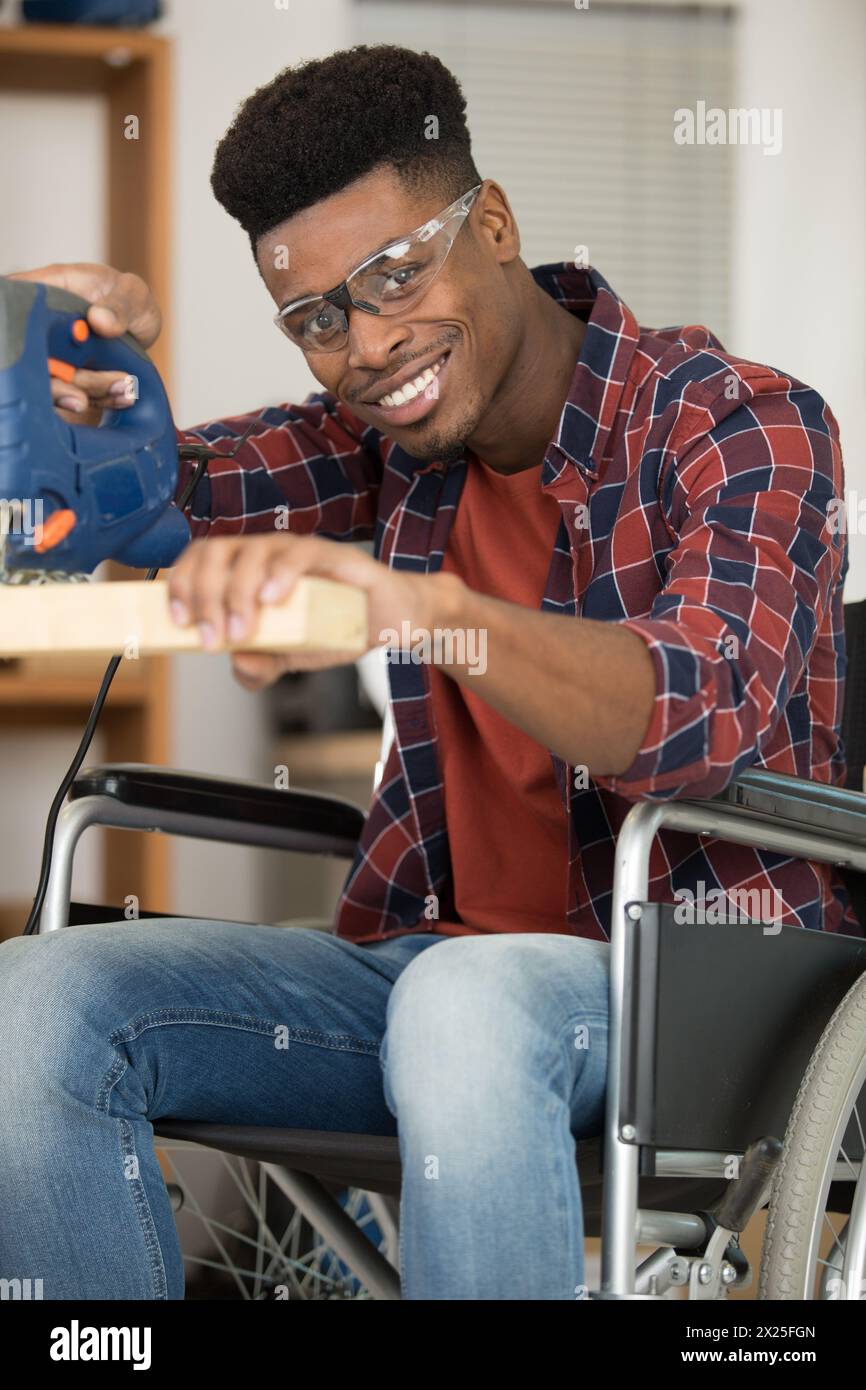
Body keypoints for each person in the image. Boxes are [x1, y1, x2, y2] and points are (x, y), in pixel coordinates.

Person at [0, 43, 856, 1301]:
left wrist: (423, 608)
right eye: (317, 317)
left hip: (701, 991)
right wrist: (27, 338)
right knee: (38, 1001)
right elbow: (119, 495)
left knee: (464, 1002)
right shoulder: (381, 443)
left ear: (493, 222)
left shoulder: (737, 420)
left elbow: (692, 707)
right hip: (421, 981)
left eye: (396, 272)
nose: (369, 342)